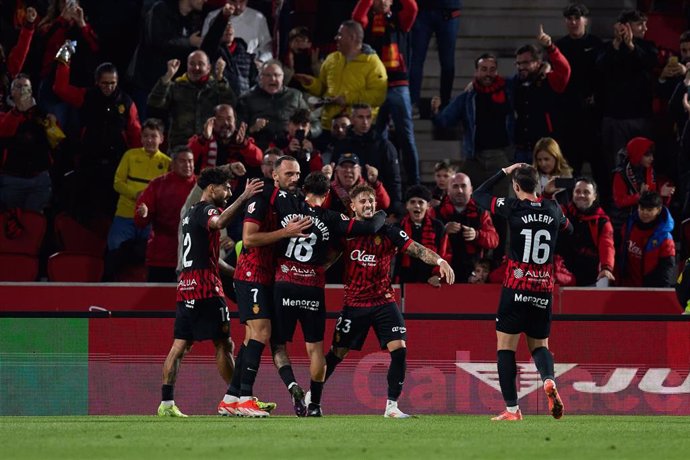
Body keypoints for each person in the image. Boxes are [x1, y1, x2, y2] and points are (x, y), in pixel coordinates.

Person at [323, 183, 455, 418]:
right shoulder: (346, 232)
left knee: (400, 349)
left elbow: (416, 249)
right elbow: (327, 260)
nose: (368, 204)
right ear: (352, 206)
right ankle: (314, 396)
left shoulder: (389, 230)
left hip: (383, 301)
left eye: (371, 201)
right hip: (354, 304)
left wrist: (440, 262)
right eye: (362, 201)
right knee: (337, 353)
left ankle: (392, 407)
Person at [271, 171, 387, 416]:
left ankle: (292, 385)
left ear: (305, 192)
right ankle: (315, 406)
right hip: (312, 287)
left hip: (284, 283)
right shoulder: (332, 217)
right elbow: (369, 226)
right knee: (315, 350)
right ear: (326, 196)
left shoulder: (286, 205)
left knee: (278, 345)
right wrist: (382, 213)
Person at [157, 168, 263, 417]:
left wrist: (237, 273)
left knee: (180, 345)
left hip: (186, 286)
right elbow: (220, 222)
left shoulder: (190, 213)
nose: (228, 192)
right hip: (206, 288)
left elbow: (211, 260)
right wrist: (244, 196)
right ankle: (234, 398)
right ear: (211, 188)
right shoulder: (208, 210)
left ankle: (166, 403)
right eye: (225, 187)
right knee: (224, 343)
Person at [472, 163, 572, 421]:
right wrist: (549, 199)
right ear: (537, 186)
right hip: (542, 289)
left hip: (515, 288)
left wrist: (503, 171)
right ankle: (548, 380)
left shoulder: (512, 206)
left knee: (506, 348)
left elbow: (478, 195)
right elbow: (568, 229)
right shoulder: (552, 208)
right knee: (539, 346)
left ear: (516, 187)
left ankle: (512, 409)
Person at [217, 156, 312, 417]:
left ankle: (231, 397)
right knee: (261, 332)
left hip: (267, 276)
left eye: (297, 173)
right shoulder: (261, 199)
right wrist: (285, 233)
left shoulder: (291, 203)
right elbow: (248, 238)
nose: (295, 178)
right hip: (251, 273)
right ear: (275, 176)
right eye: (289, 174)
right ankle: (246, 398)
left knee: (252, 337)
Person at [53, 55, 142, 218]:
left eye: (112, 83)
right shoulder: (86, 96)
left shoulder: (127, 102)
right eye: (104, 83)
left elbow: (135, 133)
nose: (109, 87)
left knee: (110, 209)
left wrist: (135, 164)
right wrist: (64, 60)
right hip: (88, 160)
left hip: (116, 163)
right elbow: (60, 88)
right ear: (96, 82)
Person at [353, 0, 421, 185]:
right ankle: (379, 183)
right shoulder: (366, 25)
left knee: (406, 136)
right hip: (374, 86)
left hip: (399, 84)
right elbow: (357, 17)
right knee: (377, 137)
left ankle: (415, 184)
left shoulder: (400, 20)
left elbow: (412, 7)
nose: (382, 1)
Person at [431, 53, 513, 192]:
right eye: (484, 69)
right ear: (476, 71)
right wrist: (435, 111)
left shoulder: (508, 91)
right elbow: (445, 120)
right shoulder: (467, 97)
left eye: (492, 69)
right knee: (463, 194)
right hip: (475, 158)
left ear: (497, 71)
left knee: (500, 204)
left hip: (500, 155)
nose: (488, 73)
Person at [294, 19, 388, 130]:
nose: (335, 38)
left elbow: (378, 96)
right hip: (329, 126)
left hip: (356, 129)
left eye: (339, 35)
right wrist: (312, 83)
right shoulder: (332, 59)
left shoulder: (373, 63)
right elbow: (323, 90)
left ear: (352, 37)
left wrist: (347, 98)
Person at [147, 50, 237, 149]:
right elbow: (154, 103)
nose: (196, 68)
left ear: (208, 67)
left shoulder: (217, 87)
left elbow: (231, 105)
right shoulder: (176, 86)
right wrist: (167, 77)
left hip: (210, 147)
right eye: (192, 64)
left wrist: (220, 78)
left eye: (200, 64)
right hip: (180, 147)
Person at [554, 3, 603, 179]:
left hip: (593, 118)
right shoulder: (559, 46)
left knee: (600, 167)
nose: (573, 22)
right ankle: (567, 206)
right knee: (569, 168)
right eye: (569, 19)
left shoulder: (597, 45)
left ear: (585, 20)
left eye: (577, 18)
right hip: (568, 118)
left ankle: (601, 204)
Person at [134, 146, 197, 282]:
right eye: (183, 161)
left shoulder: (201, 186)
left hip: (192, 257)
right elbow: (140, 219)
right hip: (161, 257)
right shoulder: (157, 185)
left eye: (190, 161)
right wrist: (143, 213)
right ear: (172, 164)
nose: (188, 165)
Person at [511, 26, 571, 163]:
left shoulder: (549, 80)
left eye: (525, 63)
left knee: (546, 184)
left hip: (546, 150)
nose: (521, 67)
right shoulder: (516, 82)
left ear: (538, 63)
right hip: (522, 148)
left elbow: (564, 70)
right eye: (518, 63)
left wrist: (550, 47)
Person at [332, 104, 403, 217]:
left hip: (379, 206)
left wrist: (395, 210)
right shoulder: (341, 145)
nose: (365, 121)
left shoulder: (384, 146)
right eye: (360, 117)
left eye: (368, 117)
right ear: (352, 119)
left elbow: (394, 179)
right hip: (344, 208)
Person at [0, 74, 54, 213]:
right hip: (13, 179)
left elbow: (56, 140)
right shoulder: (4, 112)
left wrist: (52, 123)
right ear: (11, 92)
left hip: (39, 179)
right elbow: (4, 132)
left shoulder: (42, 113)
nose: (23, 90)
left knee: (33, 223)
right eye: (18, 86)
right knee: (12, 223)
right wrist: (18, 112)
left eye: (26, 87)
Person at [237, 60, 315, 150]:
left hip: (289, 147)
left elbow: (315, 123)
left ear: (283, 78)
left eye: (277, 75)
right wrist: (252, 129)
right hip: (257, 147)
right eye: (268, 75)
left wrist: (303, 132)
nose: (273, 79)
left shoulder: (295, 96)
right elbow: (237, 131)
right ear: (260, 77)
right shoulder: (246, 98)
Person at [435, 172, 499, 283]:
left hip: (473, 273)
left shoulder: (481, 212)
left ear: (471, 189)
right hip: (444, 271)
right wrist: (443, 231)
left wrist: (477, 235)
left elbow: (494, 240)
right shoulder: (435, 211)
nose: (460, 191)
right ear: (448, 190)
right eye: (455, 186)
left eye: (463, 186)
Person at [558, 177, 616, 287]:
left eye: (586, 192)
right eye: (578, 191)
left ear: (594, 196)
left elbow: (607, 246)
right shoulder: (561, 212)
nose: (581, 195)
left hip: (589, 280)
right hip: (560, 277)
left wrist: (606, 268)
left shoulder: (602, 221)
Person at [408, 0, 462, 110]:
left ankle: (445, 103)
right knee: (415, 60)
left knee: (447, 62)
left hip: (448, 10)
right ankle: (412, 103)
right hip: (422, 10)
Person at [618, 191, 676, 288]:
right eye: (642, 209)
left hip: (650, 290)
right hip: (626, 287)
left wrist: (662, 293)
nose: (644, 213)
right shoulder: (628, 227)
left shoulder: (665, 238)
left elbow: (667, 268)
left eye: (649, 210)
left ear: (658, 210)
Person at [200, 2, 258, 97]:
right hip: (219, 102)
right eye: (224, 26)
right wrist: (223, 16)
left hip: (243, 105)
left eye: (230, 25)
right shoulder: (210, 53)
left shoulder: (247, 56)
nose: (228, 28)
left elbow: (255, 83)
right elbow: (210, 41)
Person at [187, 104, 263, 175]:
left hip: (234, 187)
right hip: (207, 185)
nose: (226, 123)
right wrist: (203, 139)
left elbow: (258, 160)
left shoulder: (243, 140)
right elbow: (186, 158)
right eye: (220, 119)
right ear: (212, 121)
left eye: (229, 118)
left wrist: (244, 145)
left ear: (235, 121)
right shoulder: (202, 138)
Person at [396, 185, 449, 285]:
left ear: (428, 206)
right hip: (404, 281)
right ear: (407, 205)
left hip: (431, 281)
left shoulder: (438, 227)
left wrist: (438, 275)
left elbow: (444, 254)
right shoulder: (398, 227)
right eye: (413, 202)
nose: (417, 206)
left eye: (421, 202)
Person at [201, 0, 273, 63]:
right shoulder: (212, 17)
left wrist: (261, 61)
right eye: (233, 1)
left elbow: (267, 47)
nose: (238, 6)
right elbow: (205, 48)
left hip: (249, 67)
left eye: (242, 1)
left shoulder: (258, 18)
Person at [532, 137, 573, 205]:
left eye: (546, 159)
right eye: (539, 160)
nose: (543, 164)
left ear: (556, 157)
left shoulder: (567, 177)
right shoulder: (532, 177)